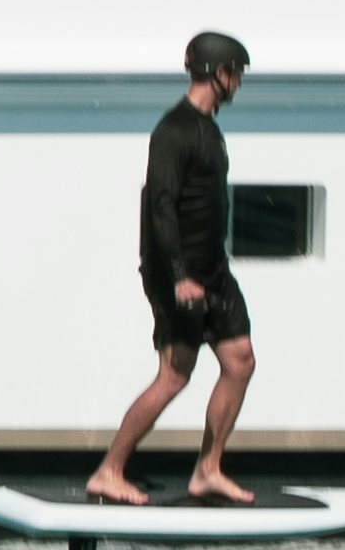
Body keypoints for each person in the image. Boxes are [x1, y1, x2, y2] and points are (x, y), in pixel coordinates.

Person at [87, 31, 263, 506]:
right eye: (236, 73)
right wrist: (181, 275)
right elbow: (161, 206)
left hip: (214, 272)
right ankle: (109, 470)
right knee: (174, 375)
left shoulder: (210, 128)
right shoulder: (175, 131)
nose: (239, 83)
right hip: (176, 275)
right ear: (216, 72)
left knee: (239, 361)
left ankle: (208, 469)